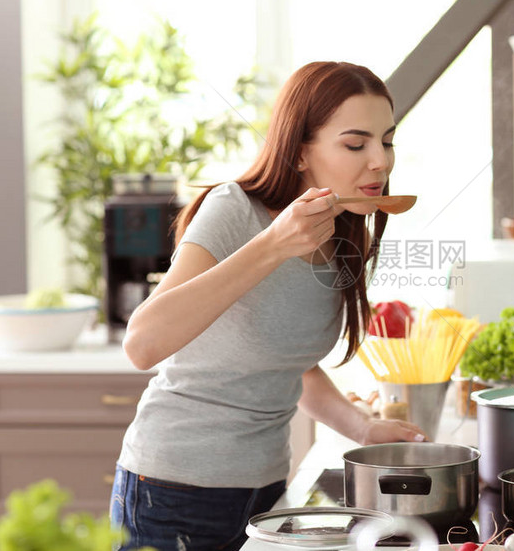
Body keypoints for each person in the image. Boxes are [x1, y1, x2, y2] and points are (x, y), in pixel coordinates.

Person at [109, 61, 427, 551]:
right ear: (300, 153)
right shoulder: (235, 209)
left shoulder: (342, 232)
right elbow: (142, 344)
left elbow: (288, 364)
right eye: (355, 143)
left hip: (264, 494)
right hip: (171, 491)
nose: (380, 161)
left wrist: (362, 427)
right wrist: (273, 245)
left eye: (386, 141)